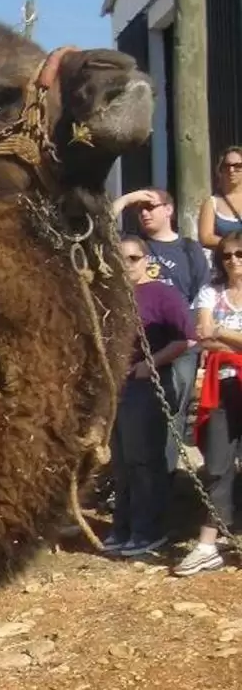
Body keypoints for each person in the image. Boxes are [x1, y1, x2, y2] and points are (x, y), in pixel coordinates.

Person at [102, 236, 196, 557]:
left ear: (146, 261)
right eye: (120, 258)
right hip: (115, 388)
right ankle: (122, 527)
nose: (126, 264)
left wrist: (149, 364)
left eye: (132, 258)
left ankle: (147, 529)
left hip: (146, 385)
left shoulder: (162, 294)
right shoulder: (110, 297)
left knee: (144, 460)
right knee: (122, 462)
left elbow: (186, 338)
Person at [111, 188, 210, 473]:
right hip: (142, 343)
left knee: (173, 413)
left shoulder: (188, 249)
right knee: (137, 419)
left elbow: (201, 293)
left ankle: (164, 478)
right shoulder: (134, 246)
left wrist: (195, 340)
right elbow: (103, 224)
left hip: (180, 341)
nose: (143, 212)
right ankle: (144, 482)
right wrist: (127, 199)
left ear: (169, 210)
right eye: (139, 208)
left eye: (151, 207)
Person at [174, 231, 242, 576]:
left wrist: (222, 335)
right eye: (227, 255)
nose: (233, 261)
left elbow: (214, 334)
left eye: (240, 254)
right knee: (216, 465)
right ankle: (206, 545)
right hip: (220, 385)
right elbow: (202, 334)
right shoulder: (210, 292)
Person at [197, 147, 242, 250]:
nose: (231, 170)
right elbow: (205, 238)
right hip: (227, 261)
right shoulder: (212, 202)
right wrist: (235, 244)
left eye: (238, 166)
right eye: (226, 166)